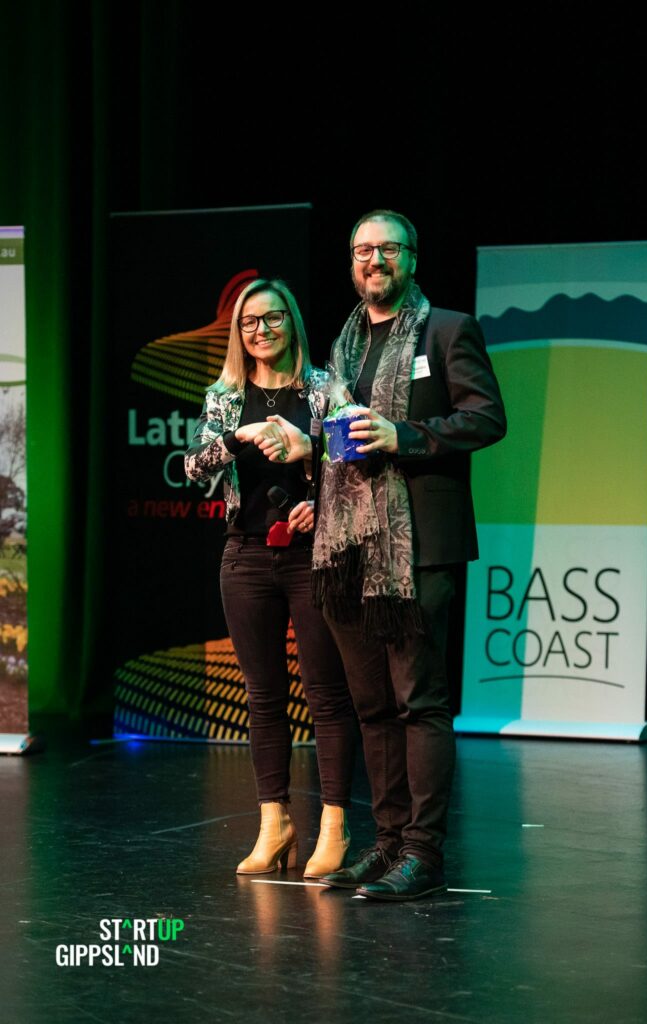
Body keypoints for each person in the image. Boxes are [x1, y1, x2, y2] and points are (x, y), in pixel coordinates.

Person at [312, 210, 507, 901]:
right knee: (371, 706)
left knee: (418, 702)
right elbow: (335, 439)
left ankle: (424, 851)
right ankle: (389, 841)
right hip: (351, 548)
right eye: (361, 250)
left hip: (421, 544)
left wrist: (406, 435)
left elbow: (486, 417)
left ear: (411, 259)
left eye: (386, 249)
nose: (373, 260)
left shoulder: (447, 328)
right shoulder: (341, 345)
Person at [185, 277, 356, 878]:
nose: (261, 330)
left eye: (272, 319)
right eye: (249, 322)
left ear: (292, 322)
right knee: (262, 697)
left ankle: (333, 826)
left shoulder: (323, 387)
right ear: (239, 332)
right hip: (247, 556)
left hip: (315, 554)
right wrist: (235, 439)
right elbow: (192, 464)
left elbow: (353, 462)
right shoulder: (225, 395)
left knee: (327, 694)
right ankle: (274, 824)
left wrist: (314, 472)